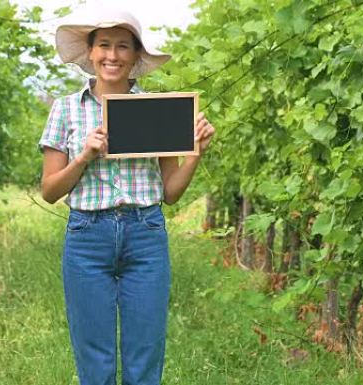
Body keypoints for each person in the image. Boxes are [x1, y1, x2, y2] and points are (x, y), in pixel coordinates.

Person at [38, 8, 215, 385]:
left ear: (136, 56)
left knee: (145, 354)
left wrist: (195, 152)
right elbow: (50, 190)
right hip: (87, 237)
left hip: (145, 234)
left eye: (122, 46)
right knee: (94, 357)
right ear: (90, 52)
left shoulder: (158, 111)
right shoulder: (66, 109)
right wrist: (84, 156)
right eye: (104, 45)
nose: (112, 55)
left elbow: (170, 194)